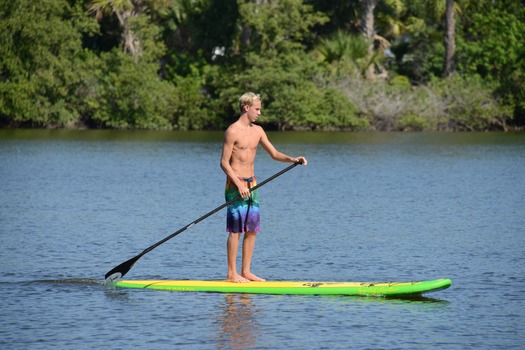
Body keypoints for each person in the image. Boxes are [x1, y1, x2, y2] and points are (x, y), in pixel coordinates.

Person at [220, 92, 307, 283]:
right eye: (257, 109)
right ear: (246, 107)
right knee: (236, 229)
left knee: (251, 229)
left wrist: (293, 159)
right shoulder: (232, 131)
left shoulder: (258, 131)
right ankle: (231, 274)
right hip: (235, 185)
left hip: (252, 184)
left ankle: (246, 271)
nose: (260, 112)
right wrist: (238, 183)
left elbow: (274, 153)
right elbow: (224, 163)